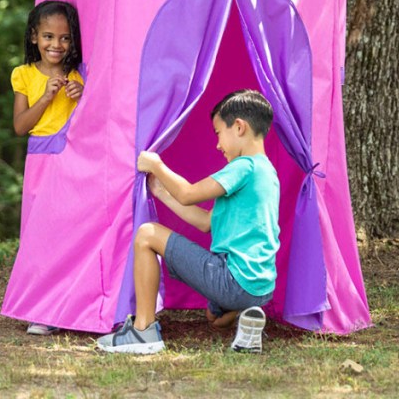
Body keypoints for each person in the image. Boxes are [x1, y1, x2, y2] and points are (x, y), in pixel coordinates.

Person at [97, 89, 280, 355]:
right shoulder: (267, 172)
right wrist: (161, 193)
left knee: (147, 234)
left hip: (233, 280)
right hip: (261, 287)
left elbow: (188, 193)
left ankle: (143, 330)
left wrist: (156, 164)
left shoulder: (244, 167)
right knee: (214, 318)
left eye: (219, 133)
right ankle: (246, 314)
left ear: (239, 127)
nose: (218, 145)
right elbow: (207, 222)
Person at [11, 0, 84, 335]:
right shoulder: (23, 74)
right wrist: (46, 98)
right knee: (40, 231)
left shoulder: (79, 75)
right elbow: (20, 126)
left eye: (65, 38)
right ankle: (41, 309)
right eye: (49, 37)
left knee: (71, 229)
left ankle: (71, 303)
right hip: (41, 158)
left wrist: (82, 96)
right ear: (34, 37)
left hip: (74, 158)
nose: (57, 45)